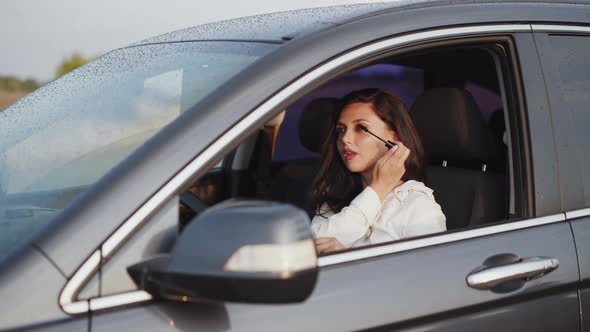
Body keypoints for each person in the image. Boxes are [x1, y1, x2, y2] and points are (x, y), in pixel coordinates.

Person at [310, 88, 446, 254]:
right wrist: (377, 190)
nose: (345, 139)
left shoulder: (418, 206)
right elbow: (313, 249)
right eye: (341, 130)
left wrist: (353, 262)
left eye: (361, 128)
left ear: (395, 138)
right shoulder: (336, 195)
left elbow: (430, 275)